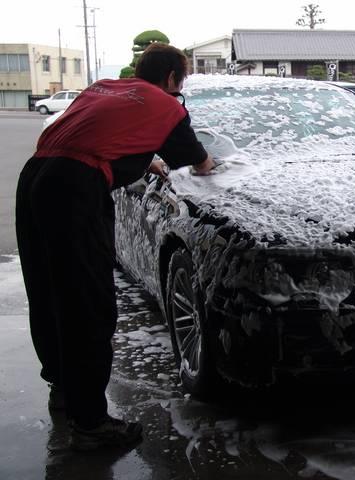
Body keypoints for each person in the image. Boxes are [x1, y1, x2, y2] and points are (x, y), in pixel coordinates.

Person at [15, 43, 216, 451]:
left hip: (37, 175)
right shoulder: (167, 104)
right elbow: (198, 161)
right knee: (89, 304)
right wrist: (219, 166)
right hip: (75, 190)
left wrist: (147, 161)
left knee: (49, 290)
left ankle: (64, 389)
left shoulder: (106, 87)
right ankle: (90, 425)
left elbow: (100, 136)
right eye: (184, 77)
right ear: (172, 78)